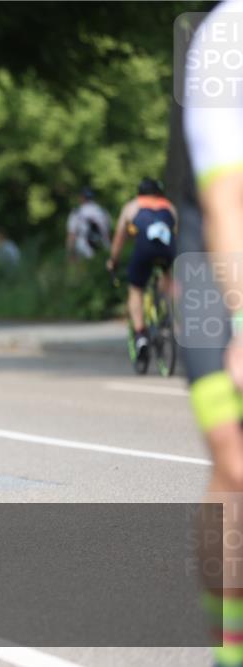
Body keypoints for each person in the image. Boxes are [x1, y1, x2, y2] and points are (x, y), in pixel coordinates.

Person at [174, 3, 243, 665]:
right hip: (212, 264)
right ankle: (233, 643)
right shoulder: (228, 36)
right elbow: (228, 204)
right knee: (236, 457)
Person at [106, 178, 177, 361]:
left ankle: (140, 335)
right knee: (167, 275)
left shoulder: (132, 206)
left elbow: (119, 238)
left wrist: (113, 261)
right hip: (168, 250)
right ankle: (166, 311)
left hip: (144, 250)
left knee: (136, 289)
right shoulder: (169, 207)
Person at [66, 187, 111, 261]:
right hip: (104, 250)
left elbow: (72, 235)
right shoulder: (103, 211)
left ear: (82, 198)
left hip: (85, 252)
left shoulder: (76, 213)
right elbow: (108, 233)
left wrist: (70, 254)